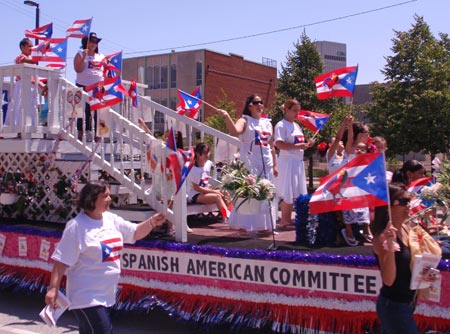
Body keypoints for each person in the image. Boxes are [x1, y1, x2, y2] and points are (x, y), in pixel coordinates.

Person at [44, 181, 166, 334]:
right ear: (91, 200)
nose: (110, 199)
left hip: (105, 294)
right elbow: (61, 261)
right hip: (85, 297)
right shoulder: (76, 226)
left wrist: (151, 223)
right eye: (105, 196)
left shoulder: (110, 219)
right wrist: (53, 289)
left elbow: (134, 232)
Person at [217, 94, 278, 234]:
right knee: (249, 194)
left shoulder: (267, 123)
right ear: (250, 105)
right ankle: (244, 226)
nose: (260, 105)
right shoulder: (245, 120)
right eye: (256, 102)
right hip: (250, 163)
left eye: (261, 102)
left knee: (266, 194)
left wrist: (275, 165)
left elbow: (271, 145)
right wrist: (227, 116)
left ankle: (265, 226)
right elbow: (234, 131)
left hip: (266, 163)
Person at [372, 183, 424, 333]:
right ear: (390, 206)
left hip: (407, 303)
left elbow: (410, 264)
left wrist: (425, 272)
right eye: (403, 202)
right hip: (394, 305)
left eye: (409, 201)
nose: (408, 205)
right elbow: (388, 280)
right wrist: (389, 245)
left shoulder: (406, 228)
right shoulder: (382, 238)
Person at [274, 99, 315, 230]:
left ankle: (288, 218)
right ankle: (284, 220)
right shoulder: (281, 125)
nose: (297, 113)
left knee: (295, 190)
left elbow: (298, 145)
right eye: (294, 110)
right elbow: (279, 144)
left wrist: (307, 145)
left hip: (297, 161)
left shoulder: (296, 126)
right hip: (287, 162)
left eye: (298, 110)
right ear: (286, 110)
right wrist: (298, 146)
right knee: (288, 190)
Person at [340, 122, 373, 246]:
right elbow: (349, 139)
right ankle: (348, 230)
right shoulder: (351, 149)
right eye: (366, 133)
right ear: (360, 134)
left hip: (359, 182)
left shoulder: (365, 148)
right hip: (347, 182)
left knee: (364, 204)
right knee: (347, 205)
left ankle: (366, 228)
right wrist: (349, 126)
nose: (368, 135)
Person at [186, 143, 231, 228]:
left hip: (205, 190)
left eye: (208, 152)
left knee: (225, 193)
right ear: (198, 154)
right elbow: (197, 188)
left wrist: (211, 188)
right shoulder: (192, 169)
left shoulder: (208, 164)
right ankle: (228, 217)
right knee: (217, 196)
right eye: (205, 153)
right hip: (194, 195)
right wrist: (214, 191)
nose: (207, 155)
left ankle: (232, 215)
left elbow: (206, 179)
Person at [73, 32, 104, 141]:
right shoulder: (80, 53)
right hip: (83, 85)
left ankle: (98, 134)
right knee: (83, 111)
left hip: (98, 86)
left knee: (98, 112)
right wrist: (84, 58)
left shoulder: (101, 56)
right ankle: (81, 134)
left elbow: (104, 71)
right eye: (91, 41)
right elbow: (78, 69)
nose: (93, 44)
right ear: (86, 42)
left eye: (95, 42)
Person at [5, 38, 39, 132]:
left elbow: (34, 78)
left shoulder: (30, 59)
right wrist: (39, 55)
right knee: (19, 105)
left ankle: (28, 127)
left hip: (31, 86)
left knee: (30, 107)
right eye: (29, 46)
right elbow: (27, 61)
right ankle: (18, 127)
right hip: (22, 85)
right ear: (22, 47)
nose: (31, 48)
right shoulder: (21, 57)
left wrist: (42, 86)